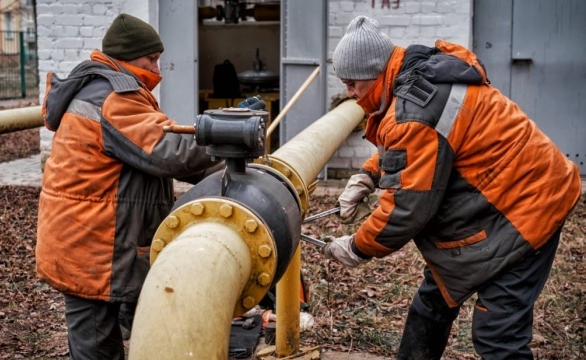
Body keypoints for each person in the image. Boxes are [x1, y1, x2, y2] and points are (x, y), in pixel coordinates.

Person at [324, 15, 582, 359]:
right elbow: (423, 145)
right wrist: (370, 174)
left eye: (352, 83)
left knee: (498, 335)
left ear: (374, 73)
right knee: (433, 302)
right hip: (515, 192)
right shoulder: (421, 71)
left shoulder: (411, 111)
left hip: (528, 209)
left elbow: (405, 208)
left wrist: (357, 247)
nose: (350, 93)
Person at [35, 13, 264, 359]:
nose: (158, 68)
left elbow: (155, 148)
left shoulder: (111, 90)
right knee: (96, 347)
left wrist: (224, 151)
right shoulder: (114, 97)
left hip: (93, 238)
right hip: (89, 247)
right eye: (151, 59)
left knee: (126, 320)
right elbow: (168, 152)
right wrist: (230, 129)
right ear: (127, 57)